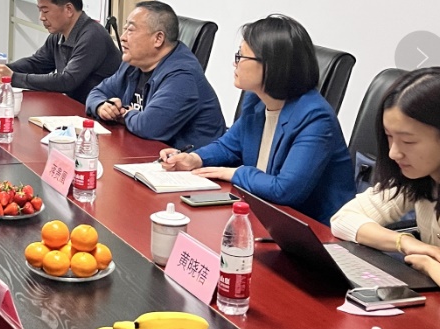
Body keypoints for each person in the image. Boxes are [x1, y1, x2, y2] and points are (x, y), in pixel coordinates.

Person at [161, 15, 354, 225]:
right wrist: (194, 158)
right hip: (263, 211)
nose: (234, 63)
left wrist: (236, 173)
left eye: (241, 56)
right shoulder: (256, 101)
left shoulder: (315, 118)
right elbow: (228, 146)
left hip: (313, 229)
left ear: (272, 65)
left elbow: (285, 190)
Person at [331, 68, 440, 285]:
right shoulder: (418, 179)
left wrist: (428, 264)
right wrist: (404, 242)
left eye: (408, 141)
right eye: (389, 137)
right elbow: (343, 220)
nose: (393, 153)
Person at [85, 1, 225, 149]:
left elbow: (148, 126)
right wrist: (101, 106)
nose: (123, 37)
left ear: (158, 39)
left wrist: (122, 114)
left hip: (190, 159)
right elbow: (96, 93)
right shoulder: (134, 63)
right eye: (125, 29)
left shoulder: (182, 76)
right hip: (147, 150)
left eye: (131, 30)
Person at [0, 0, 120, 104]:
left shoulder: (92, 36)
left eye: (45, 11)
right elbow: (37, 63)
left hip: (100, 114)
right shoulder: (58, 36)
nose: (41, 17)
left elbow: (67, 80)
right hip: (72, 107)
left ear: (68, 9)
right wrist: (1, 69)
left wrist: (13, 78)